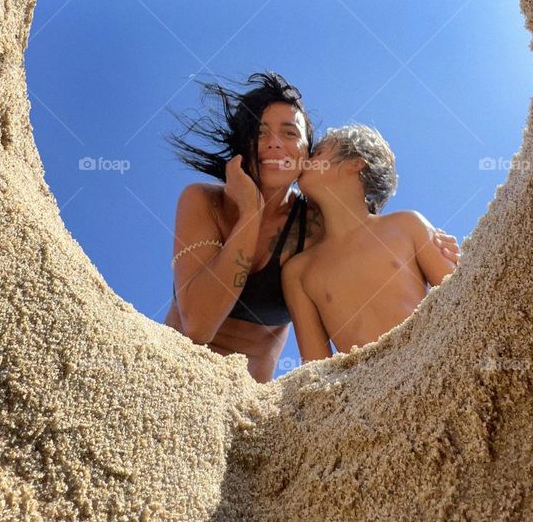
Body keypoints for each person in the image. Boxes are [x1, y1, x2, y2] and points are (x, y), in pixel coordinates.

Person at [163, 73, 459, 382]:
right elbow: (198, 326)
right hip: (174, 375)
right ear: (243, 142)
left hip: (244, 398)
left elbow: (361, 225)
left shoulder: (316, 227)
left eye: (290, 133)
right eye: (259, 132)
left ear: (306, 152)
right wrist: (251, 212)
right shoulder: (204, 201)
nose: (275, 143)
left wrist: (439, 248)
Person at [282, 124, 458, 363]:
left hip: (434, 360)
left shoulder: (407, 225)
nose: (306, 161)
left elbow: (461, 300)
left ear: (355, 163)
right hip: (368, 389)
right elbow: (315, 369)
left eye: (318, 153)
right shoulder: (298, 271)